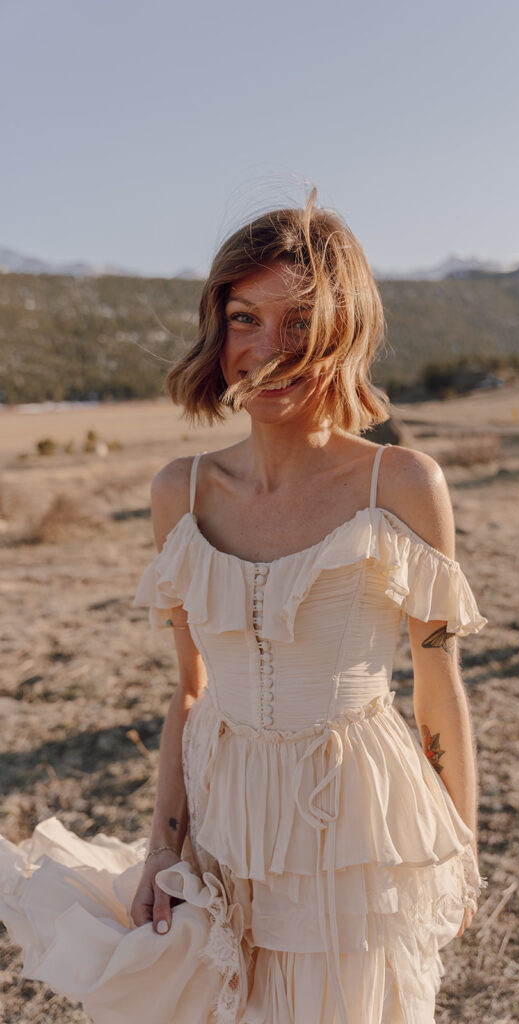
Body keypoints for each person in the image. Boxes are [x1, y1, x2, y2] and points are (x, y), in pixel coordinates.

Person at [0, 193, 488, 1024]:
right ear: (216, 330)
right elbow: (188, 691)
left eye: (300, 322)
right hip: (226, 820)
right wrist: (162, 850)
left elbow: (436, 687)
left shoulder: (400, 484)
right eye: (244, 318)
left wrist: (461, 851)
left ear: (347, 328)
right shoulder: (180, 493)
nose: (270, 350)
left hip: (355, 826)